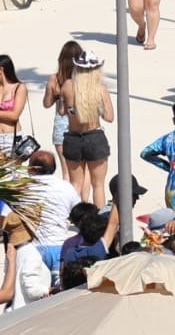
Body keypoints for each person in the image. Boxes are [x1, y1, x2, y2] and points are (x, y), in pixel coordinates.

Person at [61, 52, 112, 209]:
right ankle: (100, 220)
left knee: (75, 184)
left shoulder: (67, 86)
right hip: (94, 137)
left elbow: (62, 111)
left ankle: (73, 217)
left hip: (73, 137)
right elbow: (109, 117)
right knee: (98, 185)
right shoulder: (100, 89)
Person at [24, 151, 81, 274]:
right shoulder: (65, 187)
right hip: (59, 247)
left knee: (36, 291)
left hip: (32, 249)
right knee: (61, 291)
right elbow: (80, 213)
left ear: (31, 168)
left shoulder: (24, 188)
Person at [40, 42, 79, 175]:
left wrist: (55, 93)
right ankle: (83, 197)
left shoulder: (55, 79)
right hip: (79, 121)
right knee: (81, 169)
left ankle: (68, 195)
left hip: (62, 122)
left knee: (66, 170)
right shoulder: (82, 79)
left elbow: (46, 103)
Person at [0, 56, 25, 157]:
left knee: (13, 171)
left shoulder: (19, 88)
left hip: (12, 137)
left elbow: (14, 115)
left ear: (1, 70)